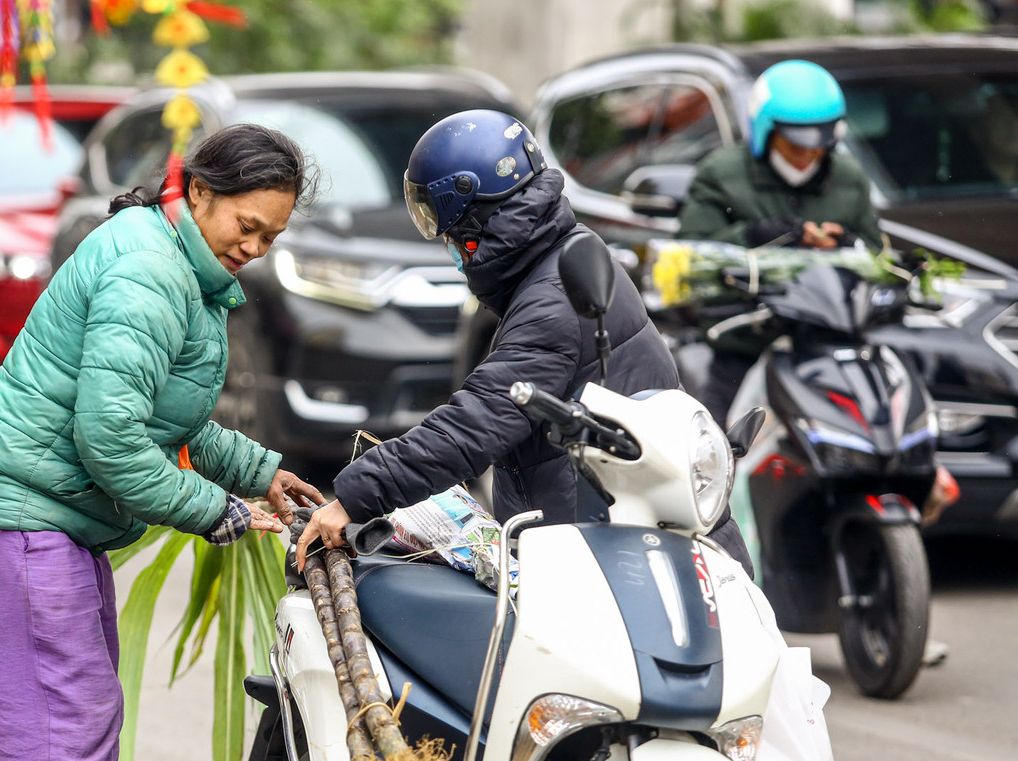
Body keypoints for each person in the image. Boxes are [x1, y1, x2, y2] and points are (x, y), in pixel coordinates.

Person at [0, 124, 325, 761]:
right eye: (245, 225)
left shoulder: (175, 263)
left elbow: (161, 421)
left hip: (59, 523)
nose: (253, 246)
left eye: (271, 234)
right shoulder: (150, 273)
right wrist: (218, 513)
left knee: (82, 727)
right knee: (63, 733)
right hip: (24, 520)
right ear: (198, 193)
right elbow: (112, 439)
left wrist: (258, 471)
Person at [297, 109, 752, 574]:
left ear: (467, 206)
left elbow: (476, 422)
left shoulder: (554, 298)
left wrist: (355, 497)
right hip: (615, 537)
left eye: (435, 212)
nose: (441, 234)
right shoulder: (565, 253)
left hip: (616, 560)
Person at [677, 59, 884, 427]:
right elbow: (693, 254)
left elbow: (875, 254)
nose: (807, 157)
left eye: (818, 147)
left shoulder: (849, 178)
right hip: (743, 343)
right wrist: (759, 236)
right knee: (708, 442)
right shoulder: (721, 174)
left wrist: (847, 245)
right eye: (795, 146)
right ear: (765, 132)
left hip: (831, 345)